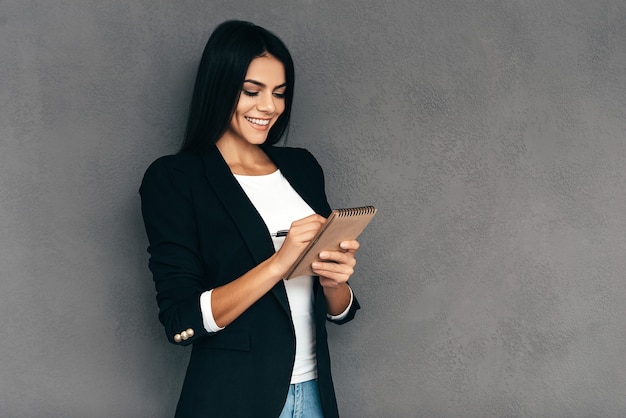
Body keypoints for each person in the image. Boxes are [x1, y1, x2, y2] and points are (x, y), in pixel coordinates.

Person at [139, 20, 361, 418]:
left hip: (313, 396)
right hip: (232, 399)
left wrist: (335, 283)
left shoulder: (303, 168)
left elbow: (339, 310)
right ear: (219, 86)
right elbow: (180, 320)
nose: (269, 107)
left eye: (279, 93)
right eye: (251, 91)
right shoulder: (175, 178)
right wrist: (279, 262)